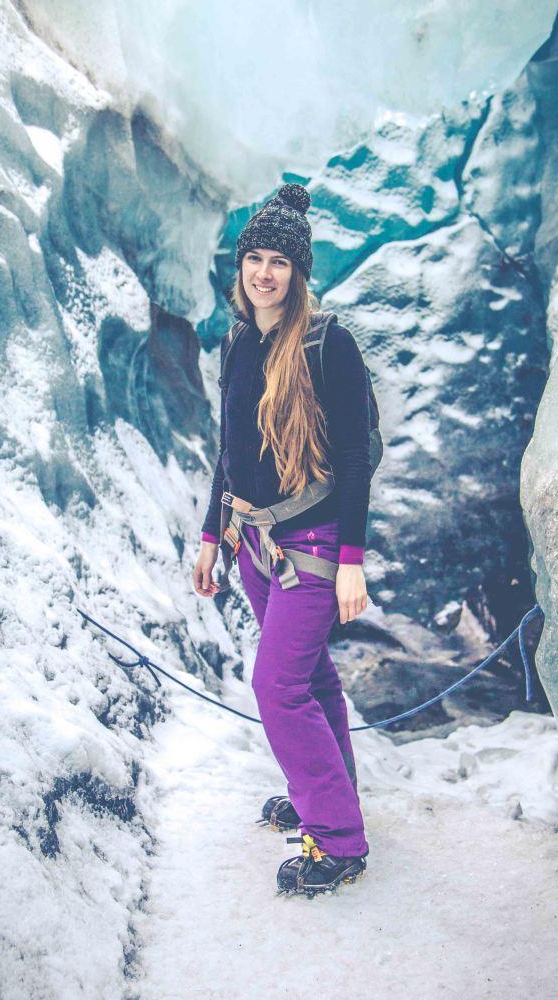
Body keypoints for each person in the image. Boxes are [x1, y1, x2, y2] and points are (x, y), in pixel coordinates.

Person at [193, 182, 371, 896]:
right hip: (253, 547)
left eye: (279, 262)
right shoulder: (240, 340)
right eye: (253, 259)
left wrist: (352, 563)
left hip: (316, 548)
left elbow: (355, 460)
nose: (264, 272)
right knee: (309, 679)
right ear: (240, 268)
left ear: (298, 274)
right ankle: (326, 799)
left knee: (276, 685)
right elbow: (230, 450)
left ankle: (337, 843)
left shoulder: (330, 346)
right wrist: (213, 535)